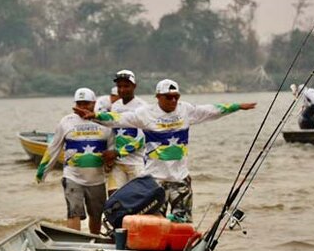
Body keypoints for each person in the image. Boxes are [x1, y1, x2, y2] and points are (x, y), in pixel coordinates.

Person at [76, 79, 257, 223]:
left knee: (183, 223)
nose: (173, 101)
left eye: (175, 97)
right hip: (155, 182)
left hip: (180, 180)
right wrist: (96, 116)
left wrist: (237, 106)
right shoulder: (145, 113)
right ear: (158, 97)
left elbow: (213, 110)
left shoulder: (185, 110)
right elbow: (118, 119)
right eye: (168, 97)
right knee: (154, 223)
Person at [36, 88, 115, 234]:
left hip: (97, 180)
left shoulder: (105, 122)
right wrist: (42, 171)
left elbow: (112, 149)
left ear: (94, 103)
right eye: (79, 104)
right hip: (72, 177)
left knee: (96, 214)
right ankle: (75, 243)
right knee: (74, 211)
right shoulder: (66, 122)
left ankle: (94, 242)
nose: (83, 107)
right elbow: (53, 148)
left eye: (86, 103)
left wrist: (110, 165)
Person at [107, 69, 147, 195]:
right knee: (114, 199)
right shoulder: (115, 106)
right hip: (118, 163)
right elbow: (112, 133)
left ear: (134, 86)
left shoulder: (143, 107)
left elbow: (143, 138)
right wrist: (109, 155)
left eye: (126, 86)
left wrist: (118, 152)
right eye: (119, 86)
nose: (122, 90)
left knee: (138, 200)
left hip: (137, 163)